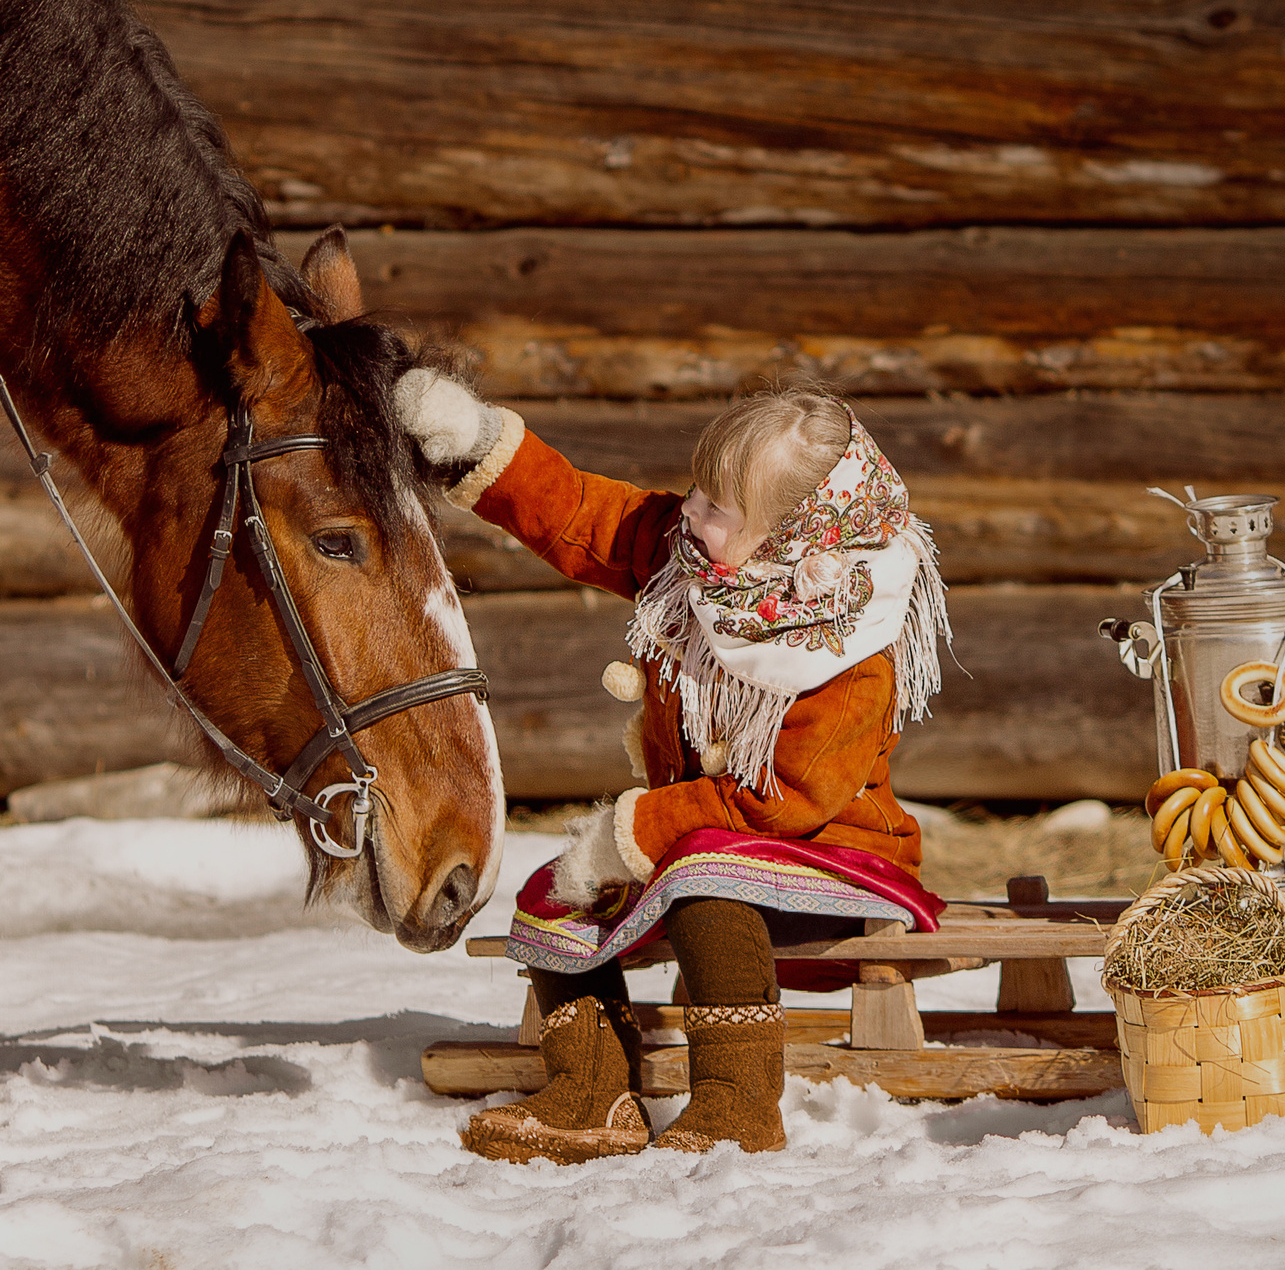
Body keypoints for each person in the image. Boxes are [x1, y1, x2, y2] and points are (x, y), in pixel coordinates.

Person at [393, 376, 955, 1163]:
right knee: (558, 889)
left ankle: (737, 1102)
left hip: (837, 854)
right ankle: (592, 1091)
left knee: (705, 884)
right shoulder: (690, 555)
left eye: (719, 506)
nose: (691, 510)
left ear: (794, 536)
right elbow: (585, 513)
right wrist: (480, 442)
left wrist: (634, 831)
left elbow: (783, 800)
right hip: (700, 837)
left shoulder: (848, 649)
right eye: (697, 488)